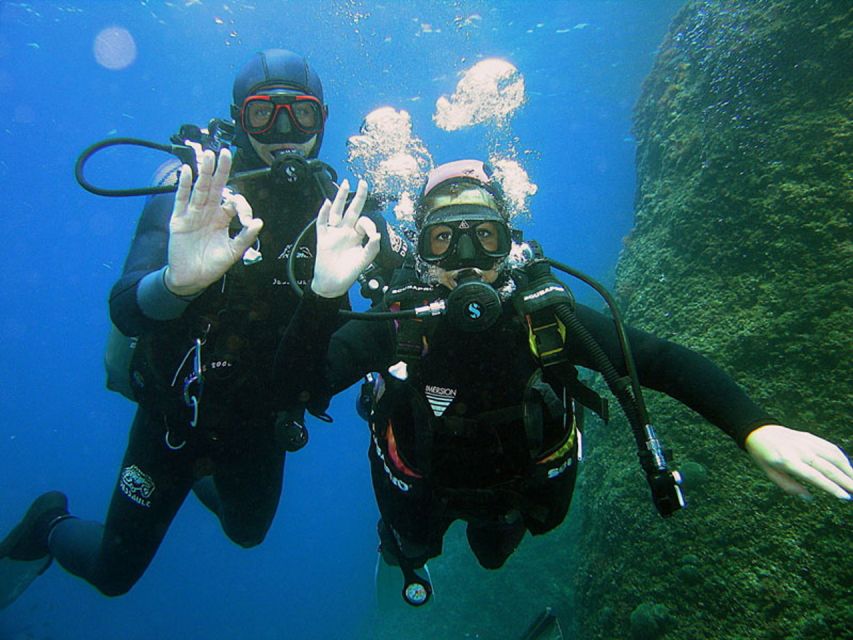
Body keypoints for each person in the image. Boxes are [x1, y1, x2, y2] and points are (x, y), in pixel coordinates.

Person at [272, 160, 853, 606]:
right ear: (420, 252)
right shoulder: (395, 323)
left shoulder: (547, 317)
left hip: (523, 491)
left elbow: (658, 360)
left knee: (496, 554)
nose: (467, 259)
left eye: (485, 237)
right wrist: (323, 299)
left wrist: (756, 428)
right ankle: (401, 552)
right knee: (412, 545)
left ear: (511, 241)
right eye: (444, 240)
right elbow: (296, 390)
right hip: (418, 492)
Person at [0, 48, 403, 607]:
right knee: (113, 573)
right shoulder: (198, 194)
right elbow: (125, 306)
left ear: (323, 121)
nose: (284, 131)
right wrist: (177, 282)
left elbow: (411, 294)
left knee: (248, 533)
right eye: (264, 114)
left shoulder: (343, 212)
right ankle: (47, 525)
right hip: (174, 415)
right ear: (239, 118)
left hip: (262, 421)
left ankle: (191, 479)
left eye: (302, 114)